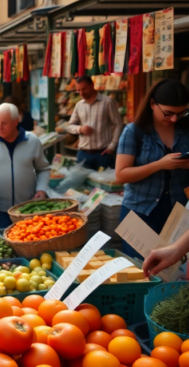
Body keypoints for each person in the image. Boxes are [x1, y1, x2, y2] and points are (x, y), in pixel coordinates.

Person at [115, 79, 189, 257]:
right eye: (168, 113)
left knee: (174, 273)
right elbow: (121, 175)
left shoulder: (186, 131)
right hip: (140, 212)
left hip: (179, 214)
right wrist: (160, 165)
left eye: (181, 114)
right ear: (152, 104)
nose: (173, 119)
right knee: (140, 272)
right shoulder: (134, 131)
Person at [66, 76, 124, 170]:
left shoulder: (107, 102)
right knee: (83, 184)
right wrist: (80, 129)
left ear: (92, 85)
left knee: (104, 183)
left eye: (84, 89)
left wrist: (112, 146)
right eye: (78, 90)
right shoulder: (79, 105)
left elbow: (118, 124)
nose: (81, 93)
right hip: (83, 154)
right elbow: (69, 126)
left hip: (103, 154)